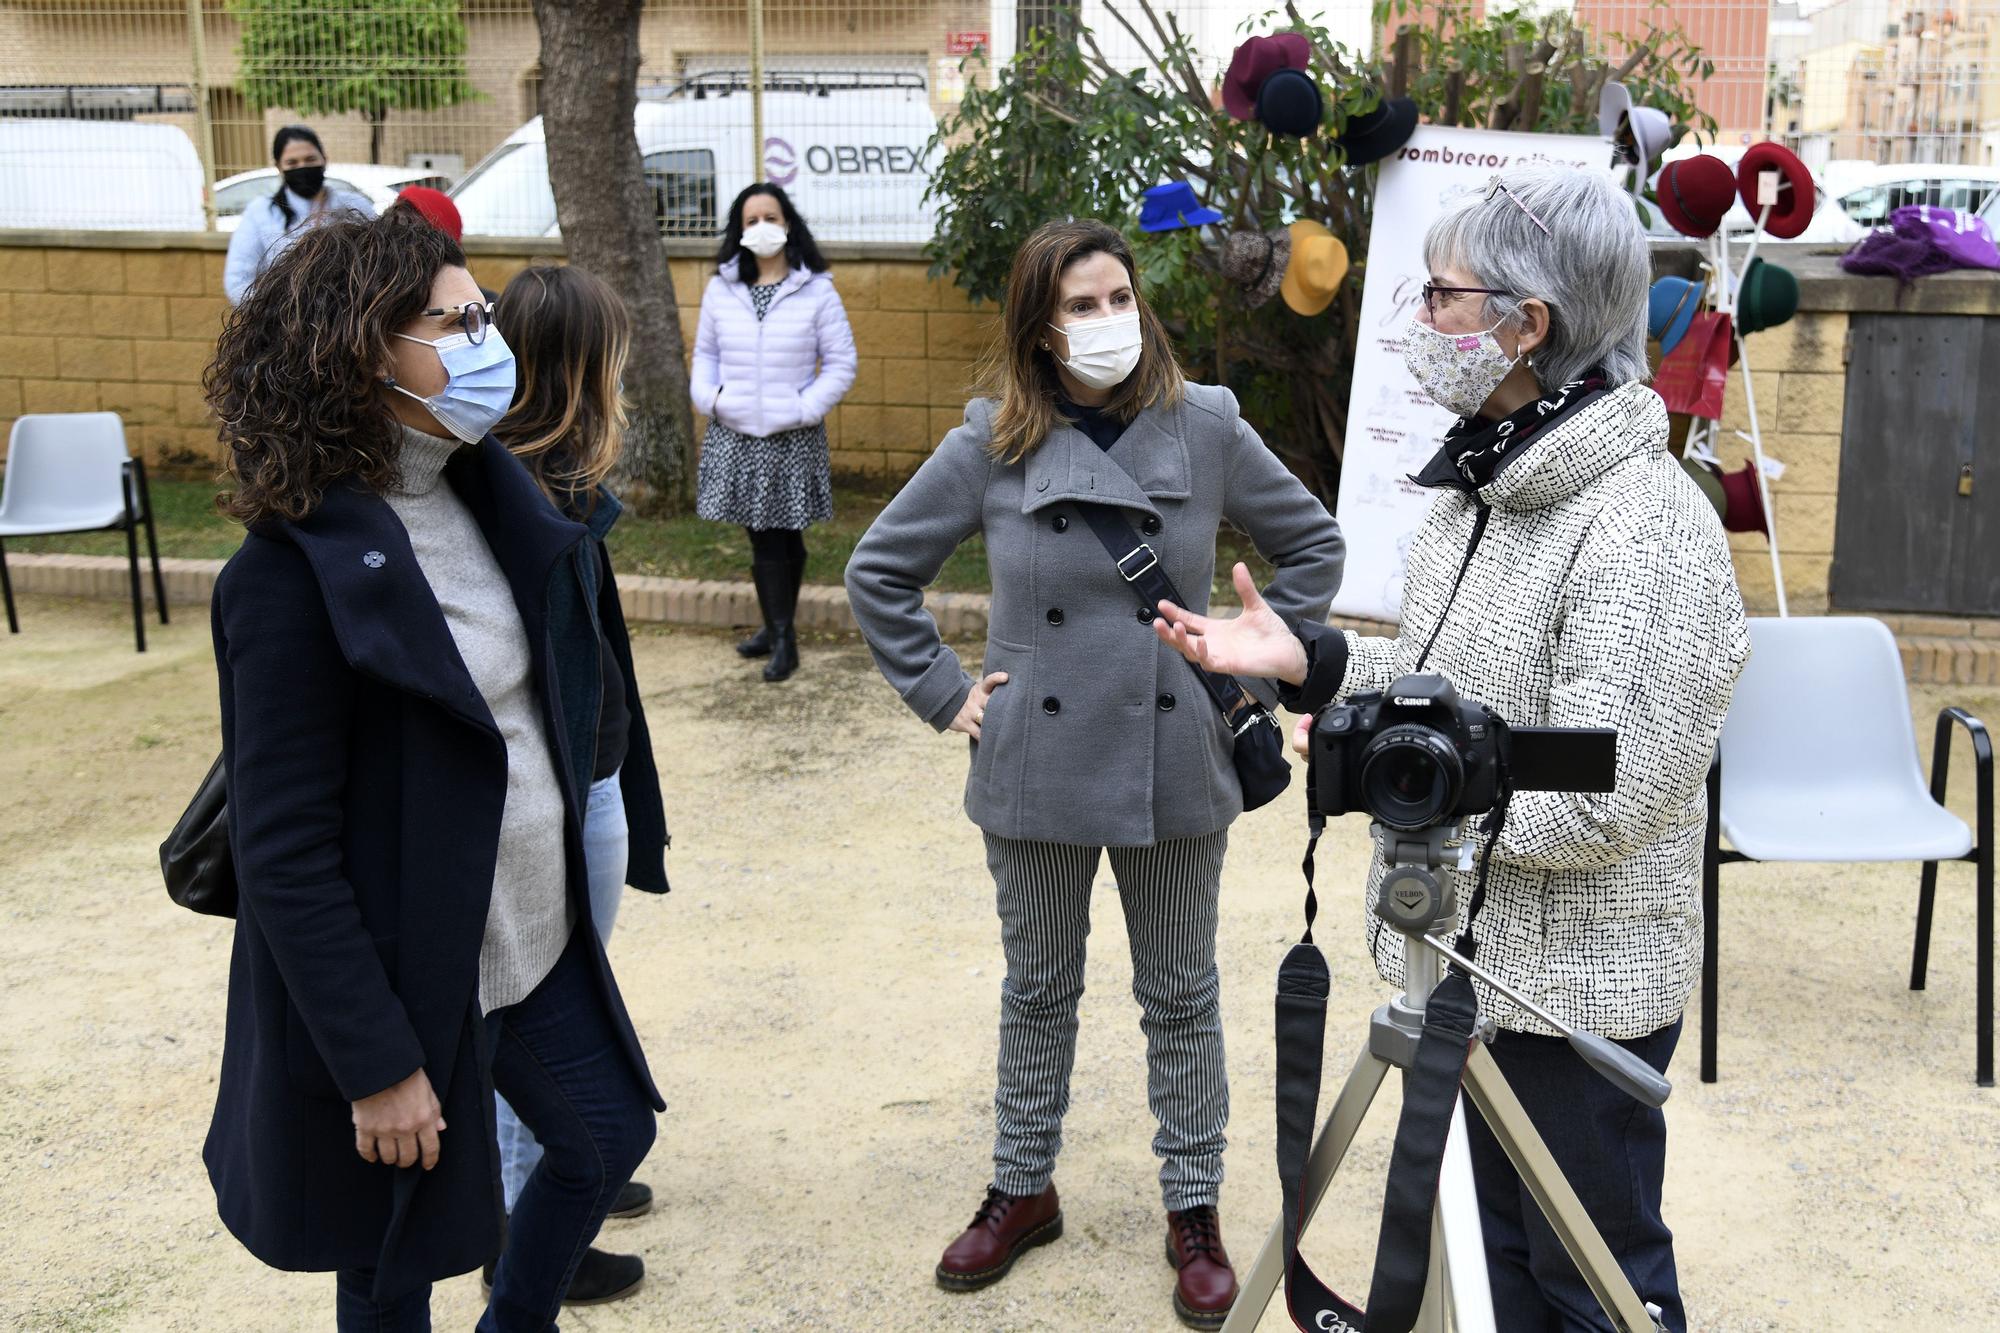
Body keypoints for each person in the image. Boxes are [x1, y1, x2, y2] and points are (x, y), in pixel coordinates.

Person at [1149, 165, 1751, 1333]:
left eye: (1441, 295)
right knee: (1490, 1265)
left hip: (1569, 988)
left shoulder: (1646, 524)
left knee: (1590, 1282)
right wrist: (1310, 664)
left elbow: (1604, 789)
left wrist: (1401, 785)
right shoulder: (1476, 487)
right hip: (1460, 971)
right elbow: (1450, 706)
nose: (1417, 320)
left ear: (1528, 326)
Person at [844, 218, 1344, 1330]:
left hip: (1173, 756)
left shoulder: (1203, 424)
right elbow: (877, 570)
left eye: (1119, 297)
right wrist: (945, 692)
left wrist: (1251, 665)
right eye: (1079, 306)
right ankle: (1022, 1184)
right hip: (1034, 764)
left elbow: (1312, 547)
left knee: (1179, 993)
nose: (1106, 321)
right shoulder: (990, 441)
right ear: (1037, 326)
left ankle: (1194, 1207)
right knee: (1037, 989)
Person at [202, 211, 662, 1332]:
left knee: (606, 1135)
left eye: (482, 315)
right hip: (412, 977)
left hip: (530, 931)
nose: (483, 340)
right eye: (453, 321)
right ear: (364, 350)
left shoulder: (487, 493)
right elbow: (284, 853)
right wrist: (374, 1067)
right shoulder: (282, 577)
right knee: (388, 1255)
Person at [486, 262, 673, 1305]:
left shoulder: (553, 479)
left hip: (588, 779)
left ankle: (566, 1181)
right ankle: (532, 1242)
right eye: (610, 355)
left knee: (562, 1008)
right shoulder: (519, 493)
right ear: (573, 369)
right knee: (547, 1014)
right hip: (555, 803)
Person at [691, 182, 856, 683]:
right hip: (737, 433)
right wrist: (714, 400)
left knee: (783, 534)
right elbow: (705, 357)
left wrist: (805, 407)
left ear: (788, 223)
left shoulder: (817, 290)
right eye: (750, 220)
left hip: (791, 434)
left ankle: (782, 636)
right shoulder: (722, 287)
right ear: (738, 231)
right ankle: (776, 627)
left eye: (770, 216)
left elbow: (842, 363)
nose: (761, 227)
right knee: (763, 535)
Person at [222, 125, 376, 304]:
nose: (302, 167)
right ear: (279, 167)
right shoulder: (260, 213)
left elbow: (378, 263)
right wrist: (278, 314)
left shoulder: (356, 205)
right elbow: (237, 282)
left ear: (324, 159)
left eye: (310, 159)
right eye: (292, 163)